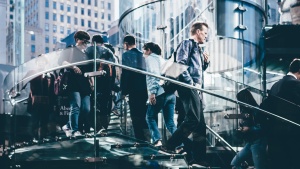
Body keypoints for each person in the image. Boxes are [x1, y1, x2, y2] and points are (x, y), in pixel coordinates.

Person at [163, 22, 210, 167]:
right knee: (193, 119)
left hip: (195, 88)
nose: (206, 36)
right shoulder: (187, 43)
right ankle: (169, 145)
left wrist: (206, 63)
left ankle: (199, 159)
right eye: (205, 33)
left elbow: (197, 70)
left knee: (200, 126)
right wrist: (190, 84)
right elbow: (180, 64)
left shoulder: (198, 49)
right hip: (187, 86)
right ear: (197, 31)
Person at [262, 58, 300, 169]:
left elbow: (266, 107)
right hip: (292, 136)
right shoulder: (295, 84)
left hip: (275, 136)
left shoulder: (275, 85)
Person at [143, 42, 177, 147]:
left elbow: (153, 75)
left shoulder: (151, 59)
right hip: (171, 94)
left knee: (150, 117)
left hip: (160, 93)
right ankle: (179, 145)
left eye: (144, 50)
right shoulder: (162, 60)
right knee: (170, 122)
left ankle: (157, 140)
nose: (143, 53)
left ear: (149, 50)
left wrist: (152, 93)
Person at [62, 30, 92, 137]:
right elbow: (62, 62)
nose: (85, 44)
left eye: (87, 42)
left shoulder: (87, 54)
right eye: (83, 41)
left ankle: (68, 125)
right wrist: (73, 66)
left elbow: (88, 69)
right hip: (73, 82)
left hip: (84, 83)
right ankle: (75, 130)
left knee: (86, 108)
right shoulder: (70, 49)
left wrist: (91, 80)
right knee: (75, 106)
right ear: (77, 40)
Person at [120, 35, 149, 141]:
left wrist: (123, 91)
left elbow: (126, 73)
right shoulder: (143, 55)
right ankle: (147, 139)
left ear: (126, 44)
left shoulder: (126, 55)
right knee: (143, 114)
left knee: (135, 115)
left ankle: (139, 139)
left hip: (133, 90)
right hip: (145, 89)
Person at [85, 34, 115, 134]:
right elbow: (114, 68)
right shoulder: (109, 52)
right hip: (106, 85)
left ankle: (96, 128)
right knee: (104, 107)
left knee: (92, 106)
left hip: (93, 83)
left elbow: (85, 66)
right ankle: (103, 127)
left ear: (92, 42)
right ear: (102, 42)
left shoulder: (89, 50)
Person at [231, 88, 268, 169]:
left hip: (258, 142)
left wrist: (249, 129)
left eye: (239, 100)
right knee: (234, 164)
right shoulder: (245, 111)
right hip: (250, 142)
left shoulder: (255, 110)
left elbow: (263, 128)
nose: (238, 102)